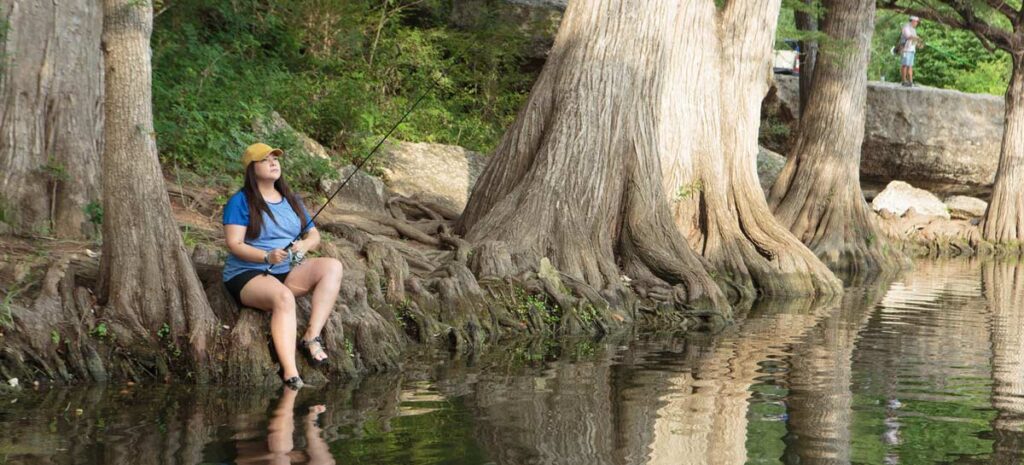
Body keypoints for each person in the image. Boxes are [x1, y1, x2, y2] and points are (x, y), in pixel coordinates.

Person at [223, 142, 344, 389]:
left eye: (275, 159)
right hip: (248, 274)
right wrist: (266, 257)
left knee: (333, 266)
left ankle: (312, 336)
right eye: (265, 160)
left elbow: (314, 235)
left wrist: (304, 246)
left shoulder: (291, 199)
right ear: (251, 168)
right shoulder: (240, 201)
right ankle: (292, 375)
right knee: (284, 298)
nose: (273, 162)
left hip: (285, 270)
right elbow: (234, 244)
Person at [900, 16, 922, 87]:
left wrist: (918, 44)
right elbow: (908, 36)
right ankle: (904, 81)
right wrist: (917, 38)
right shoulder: (906, 27)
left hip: (912, 50)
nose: (917, 23)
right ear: (912, 21)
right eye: (916, 22)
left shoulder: (913, 29)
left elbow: (914, 40)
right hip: (906, 50)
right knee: (904, 65)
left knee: (910, 65)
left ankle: (910, 81)